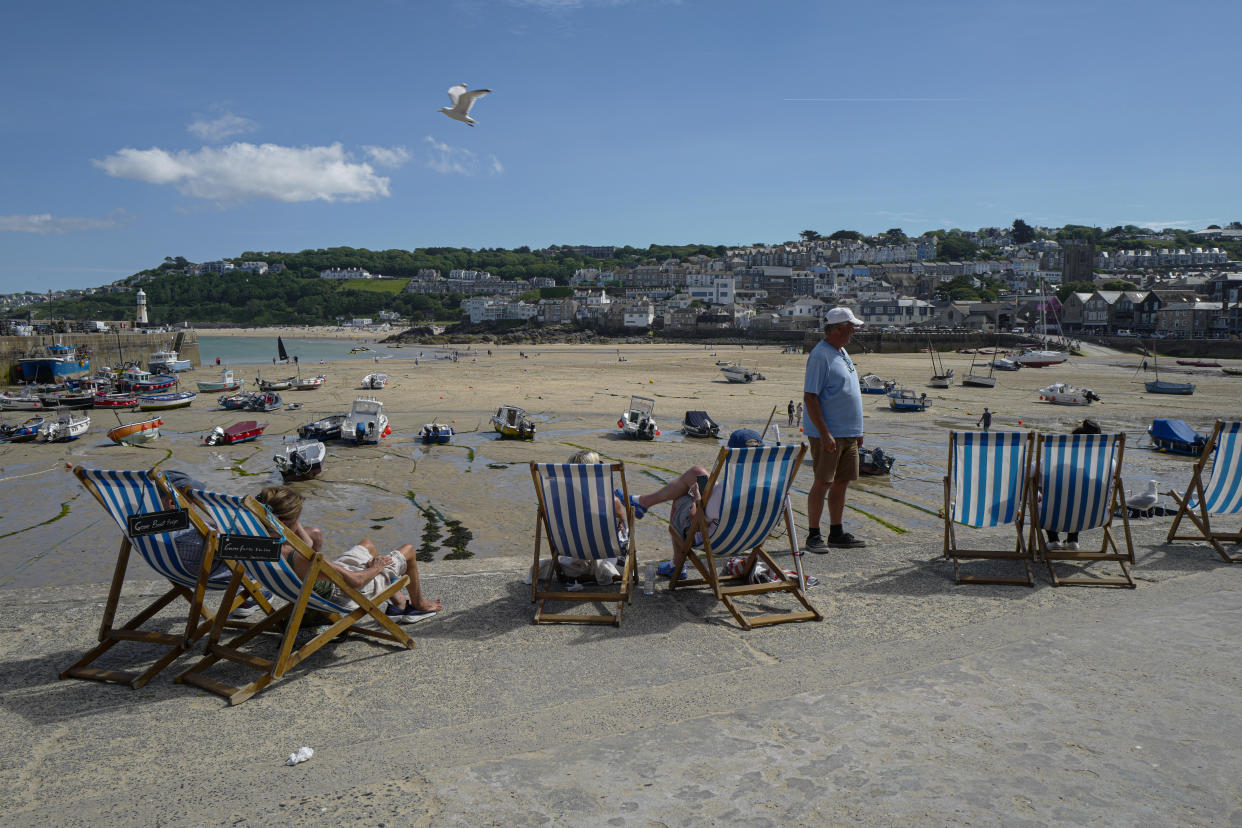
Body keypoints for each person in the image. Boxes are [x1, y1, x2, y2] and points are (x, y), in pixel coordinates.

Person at [254, 486, 441, 623]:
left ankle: (399, 603)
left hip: (317, 585)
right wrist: (376, 568)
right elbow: (356, 581)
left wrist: (289, 521)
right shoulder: (299, 556)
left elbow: (308, 544)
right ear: (290, 519)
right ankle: (419, 605)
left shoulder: (256, 544)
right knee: (407, 550)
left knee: (367, 545)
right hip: (344, 594)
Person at [623, 429, 763, 576]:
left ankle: (677, 564)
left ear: (731, 458)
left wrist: (697, 499)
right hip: (750, 537)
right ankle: (643, 502)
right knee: (698, 472)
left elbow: (699, 520)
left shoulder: (726, 492)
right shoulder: (776, 488)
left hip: (716, 540)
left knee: (680, 499)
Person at [802, 307, 867, 551]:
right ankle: (813, 534)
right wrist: (824, 433)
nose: (855, 331)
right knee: (823, 482)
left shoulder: (842, 351)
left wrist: (857, 430)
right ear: (838, 328)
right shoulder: (820, 355)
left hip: (848, 432)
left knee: (842, 481)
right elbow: (810, 397)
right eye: (851, 327)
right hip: (829, 433)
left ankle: (836, 532)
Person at [1045, 418, 1102, 551]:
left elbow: (1031, 472)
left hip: (1054, 513)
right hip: (1092, 515)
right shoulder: (1106, 462)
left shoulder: (1056, 459)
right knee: (1080, 496)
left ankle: (1053, 540)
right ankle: (1072, 540)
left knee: (1044, 494)